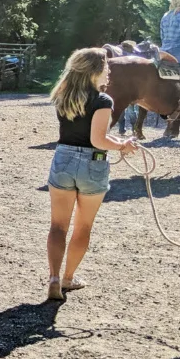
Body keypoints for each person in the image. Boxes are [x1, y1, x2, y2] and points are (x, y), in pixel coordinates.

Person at [46, 48, 140, 301]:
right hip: (92, 164)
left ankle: (53, 278)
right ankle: (68, 278)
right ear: (95, 71)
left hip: (63, 158)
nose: (109, 73)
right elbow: (97, 139)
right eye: (107, 68)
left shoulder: (63, 95)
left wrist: (116, 141)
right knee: (83, 226)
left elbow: (83, 133)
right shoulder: (103, 100)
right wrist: (123, 145)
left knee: (57, 226)